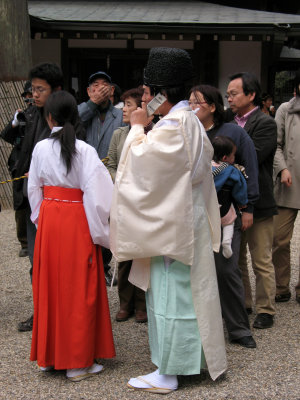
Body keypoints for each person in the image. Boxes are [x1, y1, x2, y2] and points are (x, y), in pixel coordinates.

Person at [110, 47, 227, 393]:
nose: (144, 98)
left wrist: (135, 128)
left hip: (171, 223)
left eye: (147, 92)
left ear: (161, 92)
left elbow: (137, 169)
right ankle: (187, 362)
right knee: (188, 294)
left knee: (170, 297)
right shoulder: (188, 120)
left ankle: (170, 371)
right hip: (183, 215)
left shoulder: (172, 126)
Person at [28, 90, 115, 381]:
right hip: (77, 220)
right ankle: (77, 362)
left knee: (51, 286)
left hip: (51, 220)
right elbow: (99, 198)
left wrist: (42, 221)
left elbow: (33, 191)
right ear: (75, 117)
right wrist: (102, 233)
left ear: (48, 117)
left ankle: (49, 358)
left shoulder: (40, 148)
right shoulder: (86, 151)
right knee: (79, 288)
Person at [0, 63, 69, 332]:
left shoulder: (65, 119)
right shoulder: (30, 113)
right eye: (34, 90)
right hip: (30, 199)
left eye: (41, 89)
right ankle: (41, 311)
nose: (35, 94)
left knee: (57, 263)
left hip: (56, 204)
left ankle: (59, 312)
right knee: (36, 261)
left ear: (57, 90)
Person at [189, 84, 258, 348]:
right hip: (194, 210)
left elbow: (247, 167)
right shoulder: (187, 130)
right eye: (189, 100)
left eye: (198, 101)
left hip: (226, 210)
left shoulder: (233, 132)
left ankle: (239, 329)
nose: (192, 105)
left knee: (227, 269)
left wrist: (248, 207)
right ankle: (199, 327)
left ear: (213, 107)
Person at [227, 72, 277, 329]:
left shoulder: (265, 123)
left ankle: (266, 308)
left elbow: (252, 158)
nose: (229, 98)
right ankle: (244, 303)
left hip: (260, 201)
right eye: (228, 94)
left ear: (251, 95)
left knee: (261, 258)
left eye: (234, 93)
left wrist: (224, 156)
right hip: (234, 201)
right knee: (237, 258)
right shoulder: (228, 120)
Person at [78, 71, 125, 286]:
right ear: (89, 91)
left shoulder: (120, 115)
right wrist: (92, 103)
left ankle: (104, 266)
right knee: (86, 222)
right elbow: (71, 121)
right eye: (95, 85)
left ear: (113, 90)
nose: (100, 88)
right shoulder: (83, 112)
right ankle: (87, 264)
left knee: (107, 222)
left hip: (110, 177)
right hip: (84, 177)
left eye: (105, 85)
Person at [107, 87, 147, 323]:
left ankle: (142, 304)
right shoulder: (119, 135)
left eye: (129, 105)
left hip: (142, 201)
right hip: (122, 199)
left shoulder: (150, 133)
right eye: (124, 105)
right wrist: (120, 181)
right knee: (123, 255)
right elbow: (111, 164)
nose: (124, 109)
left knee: (143, 252)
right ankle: (125, 302)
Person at [272, 69, 300, 305]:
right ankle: (281, 286)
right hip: (288, 182)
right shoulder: (285, 109)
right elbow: (276, 145)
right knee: (279, 238)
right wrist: (282, 168)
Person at [0, 80, 33, 258]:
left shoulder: (40, 115)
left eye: (31, 95)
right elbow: (6, 136)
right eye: (27, 96)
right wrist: (14, 122)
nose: (29, 99)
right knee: (20, 203)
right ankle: (24, 242)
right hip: (18, 165)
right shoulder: (20, 116)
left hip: (34, 162)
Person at [211, 136, 248, 259]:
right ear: (225, 158)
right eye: (233, 155)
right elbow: (240, 189)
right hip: (225, 206)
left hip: (209, 208)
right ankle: (227, 241)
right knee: (229, 223)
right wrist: (242, 202)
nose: (234, 158)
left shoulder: (205, 167)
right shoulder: (232, 171)